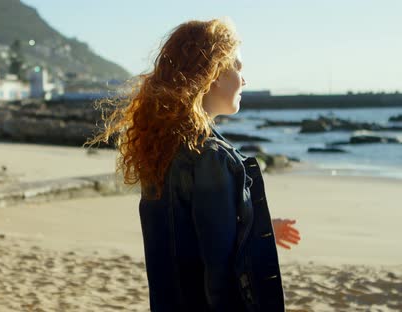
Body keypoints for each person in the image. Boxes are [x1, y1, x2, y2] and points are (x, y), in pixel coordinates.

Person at [87, 18, 300, 311]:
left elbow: (191, 236)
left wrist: (253, 224)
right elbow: (220, 270)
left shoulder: (164, 148)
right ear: (211, 74)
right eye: (237, 68)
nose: (245, 79)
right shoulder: (210, 156)